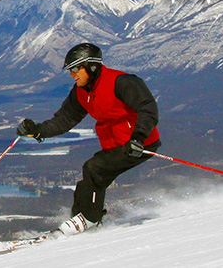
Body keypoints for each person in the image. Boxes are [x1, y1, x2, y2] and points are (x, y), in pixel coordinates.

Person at [16, 43, 162, 235]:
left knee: (95, 169)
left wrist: (139, 138)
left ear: (91, 66)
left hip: (137, 143)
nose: (72, 74)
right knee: (87, 183)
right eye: (70, 70)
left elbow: (148, 109)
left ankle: (90, 220)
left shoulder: (121, 82)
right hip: (115, 144)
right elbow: (64, 119)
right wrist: (37, 131)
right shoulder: (81, 91)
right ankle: (80, 221)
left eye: (76, 69)